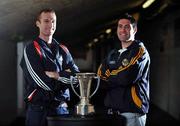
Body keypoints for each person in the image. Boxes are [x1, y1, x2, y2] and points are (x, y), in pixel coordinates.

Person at [20, 8, 79, 126]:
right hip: (39, 111)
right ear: (38, 23)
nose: (51, 24)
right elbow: (42, 82)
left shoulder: (63, 49)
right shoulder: (31, 49)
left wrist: (56, 75)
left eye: (53, 21)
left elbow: (77, 79)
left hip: (61, 110)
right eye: (46, 21)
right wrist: (65, 78)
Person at [97, 13, 150, 126]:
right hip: (112, 113)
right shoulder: (113, 54)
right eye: (120, 26)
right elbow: (100, 77)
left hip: (132, 114)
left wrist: (110, 76)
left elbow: (126, 77)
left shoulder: (140, 51)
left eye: (127, 27)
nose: (123, 30)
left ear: (134, 29)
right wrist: (117, 75)